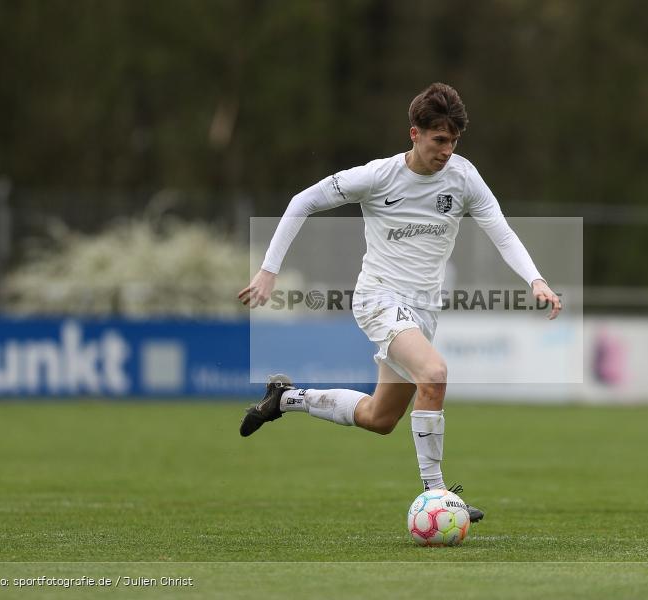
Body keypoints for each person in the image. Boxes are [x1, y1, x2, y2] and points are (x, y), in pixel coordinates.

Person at [238, 82, 561, 523]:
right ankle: (438, 494)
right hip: (379, 298)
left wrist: (536, 279)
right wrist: (268, 269)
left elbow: (500, 230)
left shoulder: (464, 178)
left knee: (380, 417)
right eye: (439, 140)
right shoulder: (378, 176)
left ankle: (286, 399)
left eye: (453, 141)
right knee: (435, 373)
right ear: (415, 134)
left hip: (423, 313)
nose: (447, 150)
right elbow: (303, 201)